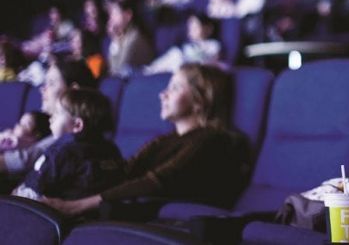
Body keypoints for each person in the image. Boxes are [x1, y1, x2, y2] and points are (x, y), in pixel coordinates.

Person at [43, 63, 252, 215]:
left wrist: (77, 206)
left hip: (172, 224)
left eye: (175, 87)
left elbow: (155, 181)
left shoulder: (210, 140)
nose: (163, 94)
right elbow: (126, 171)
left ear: (200, 100)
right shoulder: (164, 140)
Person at [13, 88, 123, 200]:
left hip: (53, 214)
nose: (51, 118)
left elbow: (35, 190)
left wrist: (15, 195)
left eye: (57, 113)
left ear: (77, 125)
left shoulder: (61, 152)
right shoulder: (112, 149)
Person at [0, 59, 97, 180]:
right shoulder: (48, 125)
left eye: (51, 83)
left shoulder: (70, 135)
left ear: (73, 91)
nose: (43, 89)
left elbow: (24, 159)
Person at [143, 14, 221, 74]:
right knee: (174, 53)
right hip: (181, 64)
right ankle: (150, 69)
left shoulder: (213, 44)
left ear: (208, 28)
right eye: (190, 27)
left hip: (192, 69)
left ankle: (151, 71)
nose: (191, 30)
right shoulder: (190, 45)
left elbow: (210, 62)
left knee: (177, 56)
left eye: (195, 27)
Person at [106, 0, 154, 77]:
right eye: (110, 14)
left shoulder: (135, 37)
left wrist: (115, 39)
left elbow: (118, 69)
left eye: (114, 13)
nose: (111, 19)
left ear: (128, 15)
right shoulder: (122, 36)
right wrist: (115, 39)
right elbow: (111, 68)